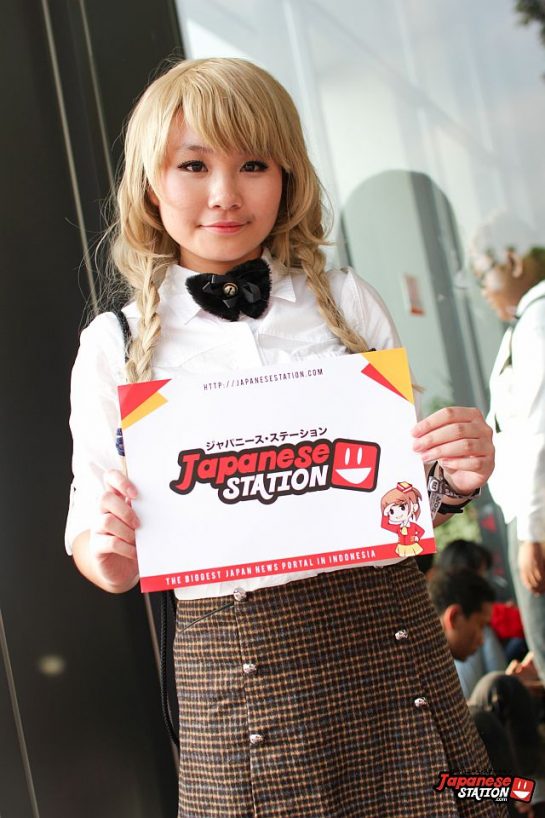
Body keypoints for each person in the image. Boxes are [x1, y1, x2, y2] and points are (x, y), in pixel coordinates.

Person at [66, 57, 502, 817]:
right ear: (150, 184)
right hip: (235, 679)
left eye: (253, 164)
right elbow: (91, 535)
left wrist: (455, 477)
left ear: (287, 176)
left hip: (392, 644)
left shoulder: (349, 302)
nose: (225, 193)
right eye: (193, 165)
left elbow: (401, 500)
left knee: (464, 799)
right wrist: (106, 553)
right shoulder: (115, 344)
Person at [475, 221, 545, 688]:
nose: (484, 291)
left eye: (485, 274)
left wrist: (533, 533)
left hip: (536, 514)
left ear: (514, 260)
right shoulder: (525, 323)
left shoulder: (536, 320)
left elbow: (539, 427)